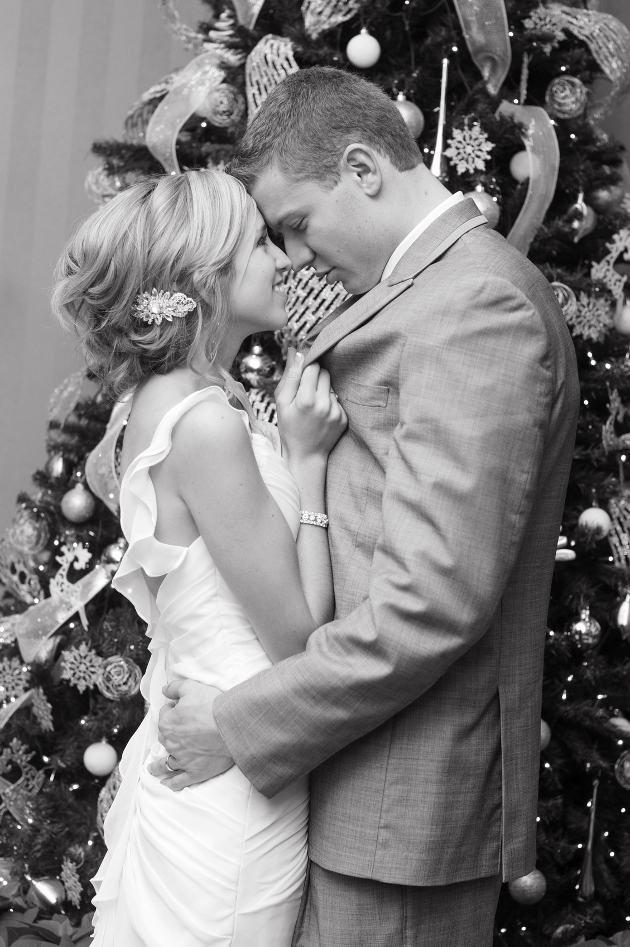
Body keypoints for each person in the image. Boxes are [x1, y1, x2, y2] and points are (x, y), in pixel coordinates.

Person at [154, 68, 581, 947]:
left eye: (299, 224)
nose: (298, 257)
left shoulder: (476, 305)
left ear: (362, 167)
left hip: (402, 812)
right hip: (356, 792)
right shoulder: (425, 288)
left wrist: (238, 725)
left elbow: (428, 604)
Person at [52, 168, 346, 946]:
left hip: (200, 750)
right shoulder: (204, 423)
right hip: (236, 782)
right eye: (258, 241)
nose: (283, 258)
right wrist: (309, 465)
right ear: (203, 278)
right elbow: (300, 639)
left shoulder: (152, 405)